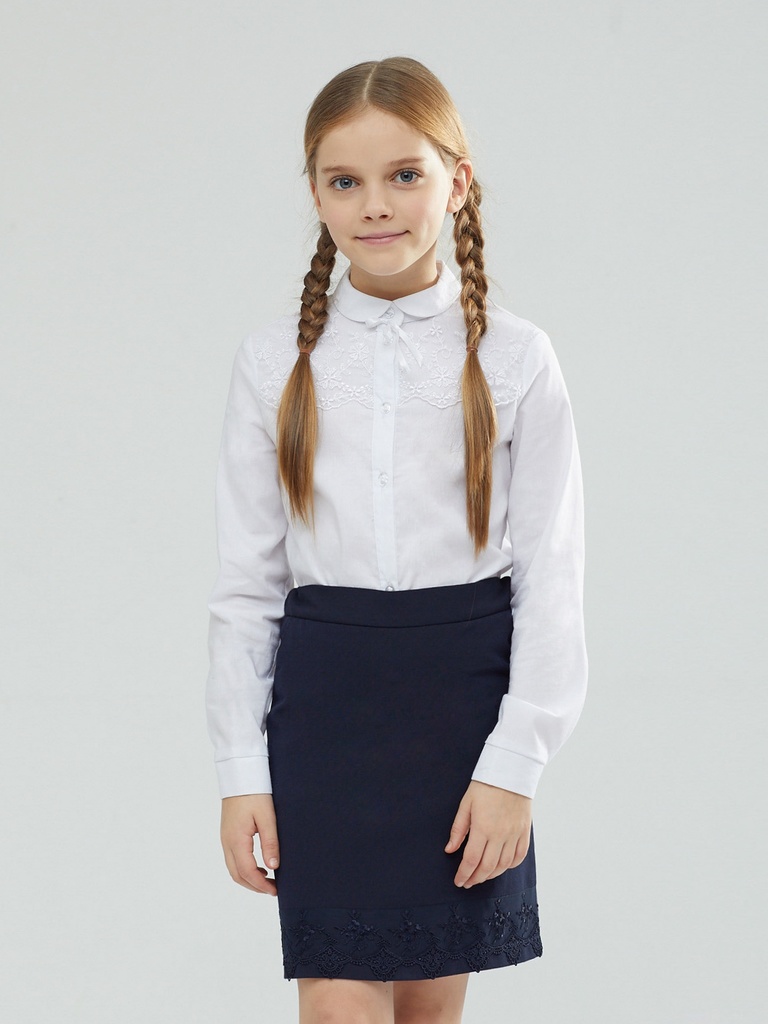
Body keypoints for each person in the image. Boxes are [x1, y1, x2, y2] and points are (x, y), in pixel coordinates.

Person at [205, 56, 588, 1024]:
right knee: (340, 1003)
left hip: (462, 716)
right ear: (316, 194)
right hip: (326, 719)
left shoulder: (516, 357)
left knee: (426, 1012)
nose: (374, 204)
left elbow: (552, 574)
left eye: (404, 174)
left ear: (457, 182)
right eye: (345, 180)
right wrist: (240, 772)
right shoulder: (272, 362)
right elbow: (248, 585)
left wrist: (516, 765)